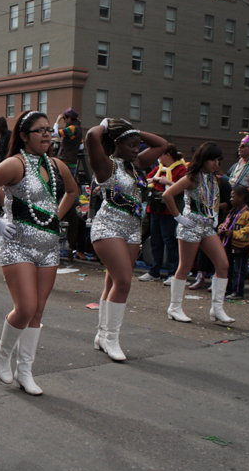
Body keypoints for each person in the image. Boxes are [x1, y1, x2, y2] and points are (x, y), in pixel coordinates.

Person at [0, 111, 78, 394]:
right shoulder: (14, 164)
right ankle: (3, 352)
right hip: (18, 245)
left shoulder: (55, 165)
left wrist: (55, 217)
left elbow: (72, 192)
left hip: (49, 247)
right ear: (24, 135)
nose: (46, 135)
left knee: (37, 312)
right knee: (26, 307)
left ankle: (26, 371)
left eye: (48, 130)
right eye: (39, 130)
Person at [85, 119, 168, 361]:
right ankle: (112, 339)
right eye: (131, 144)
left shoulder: (138, 164)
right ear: (117, 143)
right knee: (123, 282)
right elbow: (91, 135)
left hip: (132, 230)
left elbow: (162, 144)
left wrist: (133, 131)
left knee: (113, 283)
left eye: (138, 145)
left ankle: (101, 336)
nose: (136, 149)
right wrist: (107, 125)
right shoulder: (106, 166)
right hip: (108, 227)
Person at [162, 142, 235, 323]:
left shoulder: (214, 179)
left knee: (223, 264)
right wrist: (179, 218)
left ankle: (217, 309)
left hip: (207, 226)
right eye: (213, 159)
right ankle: (175, 307)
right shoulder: (192, 177)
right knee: (185, 267)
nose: (216, 163)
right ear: (203, 158)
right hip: (191, 224)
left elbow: (213, 200)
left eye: (219, 160)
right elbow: (167, 195)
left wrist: (215, 216)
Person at [138, 144, 187, 284]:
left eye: (161, 155)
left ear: (168, 155)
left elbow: (185, 189)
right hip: (154, 208)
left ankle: (173, 273)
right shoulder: (158, 169)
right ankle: (154, 271)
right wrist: (154, 180)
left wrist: (169, 182)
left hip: (169, 211)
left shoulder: (181, 169)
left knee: (170, 241)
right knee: (156, 241)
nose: (159, 158)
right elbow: (144, 180)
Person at [219, 186, 249, 299]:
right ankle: (228, 289)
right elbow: (226, 223)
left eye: (233, 196)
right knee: (228, 268)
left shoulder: (248, 213)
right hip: (229, 244)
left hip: (241, 246)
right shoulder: (233, 211)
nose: (231, 199)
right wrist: (221, 229)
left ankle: (238, 292)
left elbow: (248, 232)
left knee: (239, 269)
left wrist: (233, 233)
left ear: (241, 197)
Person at [53, 107, 83, 177]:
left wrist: (57, 121)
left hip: (65, 162)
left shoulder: (71, 128)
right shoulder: (79, 129)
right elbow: (81, 146)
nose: (63, 120)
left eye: (64, 118)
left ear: (69, 118)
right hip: (73, 162)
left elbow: (55, 133)